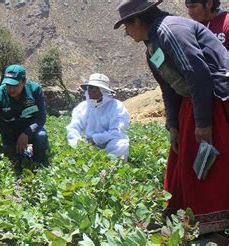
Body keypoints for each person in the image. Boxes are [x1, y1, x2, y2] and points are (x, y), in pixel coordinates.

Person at [114, 0, 229, 239]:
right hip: (194, 101)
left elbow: (199, 75)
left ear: (137, 20)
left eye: (126, 25)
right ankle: (192, 220)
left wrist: (203, 123)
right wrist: (173, 126)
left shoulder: (169, 31)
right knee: (184, 160)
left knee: (212, 163)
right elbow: (168, 89)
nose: (126, 32)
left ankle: (214, 225)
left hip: (215, 99)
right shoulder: (152, 46)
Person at [0, 64, 49, 163]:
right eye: (8, 85)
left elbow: (41, 118)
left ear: (24, 81)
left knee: (41, 137)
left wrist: (26, 133)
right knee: (14, 157)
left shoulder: (35, 90)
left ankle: (38, 164)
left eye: (15, 85)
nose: (11, 89)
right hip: (10, 132)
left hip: (31, 130)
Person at [66, 73, 130, 160]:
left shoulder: (116, 106)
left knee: (121, 145)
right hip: (87, 144)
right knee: (75, 149)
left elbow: (116, 132)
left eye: (94, 89)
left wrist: (95, 139)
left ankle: (112, 165)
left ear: (103, 91)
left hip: (109, 143)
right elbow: (73, 127)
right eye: (89, 88)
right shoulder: (83, 106)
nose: (90, 91)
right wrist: (78, 142)